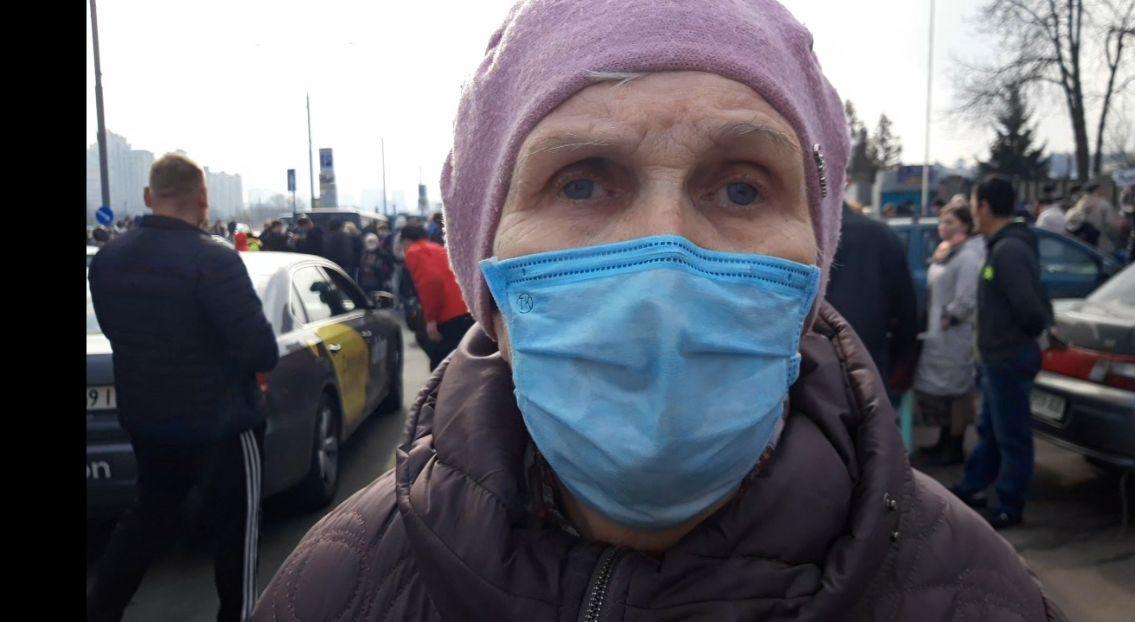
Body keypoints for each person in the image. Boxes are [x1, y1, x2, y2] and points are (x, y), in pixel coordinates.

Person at [255, 3, 1063, 619]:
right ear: (485, 266)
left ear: (814, 268)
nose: (663, 263)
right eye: (581, 182)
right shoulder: (332, 592)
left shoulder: (982, 597)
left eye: (742, 188)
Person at [87, 154, 278, 622]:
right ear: (204, 198)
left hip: (148, 421)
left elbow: (118, 332)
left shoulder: (108, 260)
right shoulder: (213, 259)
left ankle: (101, 609)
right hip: (223, 426)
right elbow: (260, 351)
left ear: (148, 197)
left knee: (145, 521)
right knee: (236, 537)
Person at [949, 175, 1053, 530]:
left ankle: (1011, 504)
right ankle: (973, 486)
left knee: (1012, 435)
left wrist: (1012, 341)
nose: (972, 212)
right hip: (996, 359)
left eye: (974, 204)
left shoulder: (1009, 251)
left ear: (985, 207)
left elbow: (1031, 310)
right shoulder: (1002, 247)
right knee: (991, 430)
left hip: (1008, 358)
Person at [913, 196, 985, 467]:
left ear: (964, 225)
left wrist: (950, 317)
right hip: (938, 332)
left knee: (957, 391)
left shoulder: (967, 256)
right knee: (942, 390)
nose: (943, 226)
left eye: (950, 222)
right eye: (942, 221)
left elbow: (967, 297)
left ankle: (955, 445)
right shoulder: (946, 251)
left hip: (955, 334)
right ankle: (943, 439)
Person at [826, 192, 919, 397]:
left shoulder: (799, 236)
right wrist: (899, 363)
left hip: (810, 373)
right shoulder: (882, 235)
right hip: (869, 365)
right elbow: (907, 312)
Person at [399, 223, 474, 370]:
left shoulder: (414, 253)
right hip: (465, 309)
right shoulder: (439, 249)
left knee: (441, 367)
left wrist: (431, 320)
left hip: (447, 316)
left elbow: (431, 283)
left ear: (406, 241)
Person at [1065, 182, 1118, 252]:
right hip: (1099, 242)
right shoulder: (1104, 204)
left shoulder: (1079, 203)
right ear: (1097, 190)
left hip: (1081, 240)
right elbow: (1111, 223)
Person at [357, 232, 395, 297]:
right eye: (369, 242)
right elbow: (360, 268)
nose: (371, 244)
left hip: (378, 283)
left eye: (373, 242)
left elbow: (390, 268)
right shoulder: (363, 254)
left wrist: (385, 276)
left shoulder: (383, 255)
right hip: (364, 283)